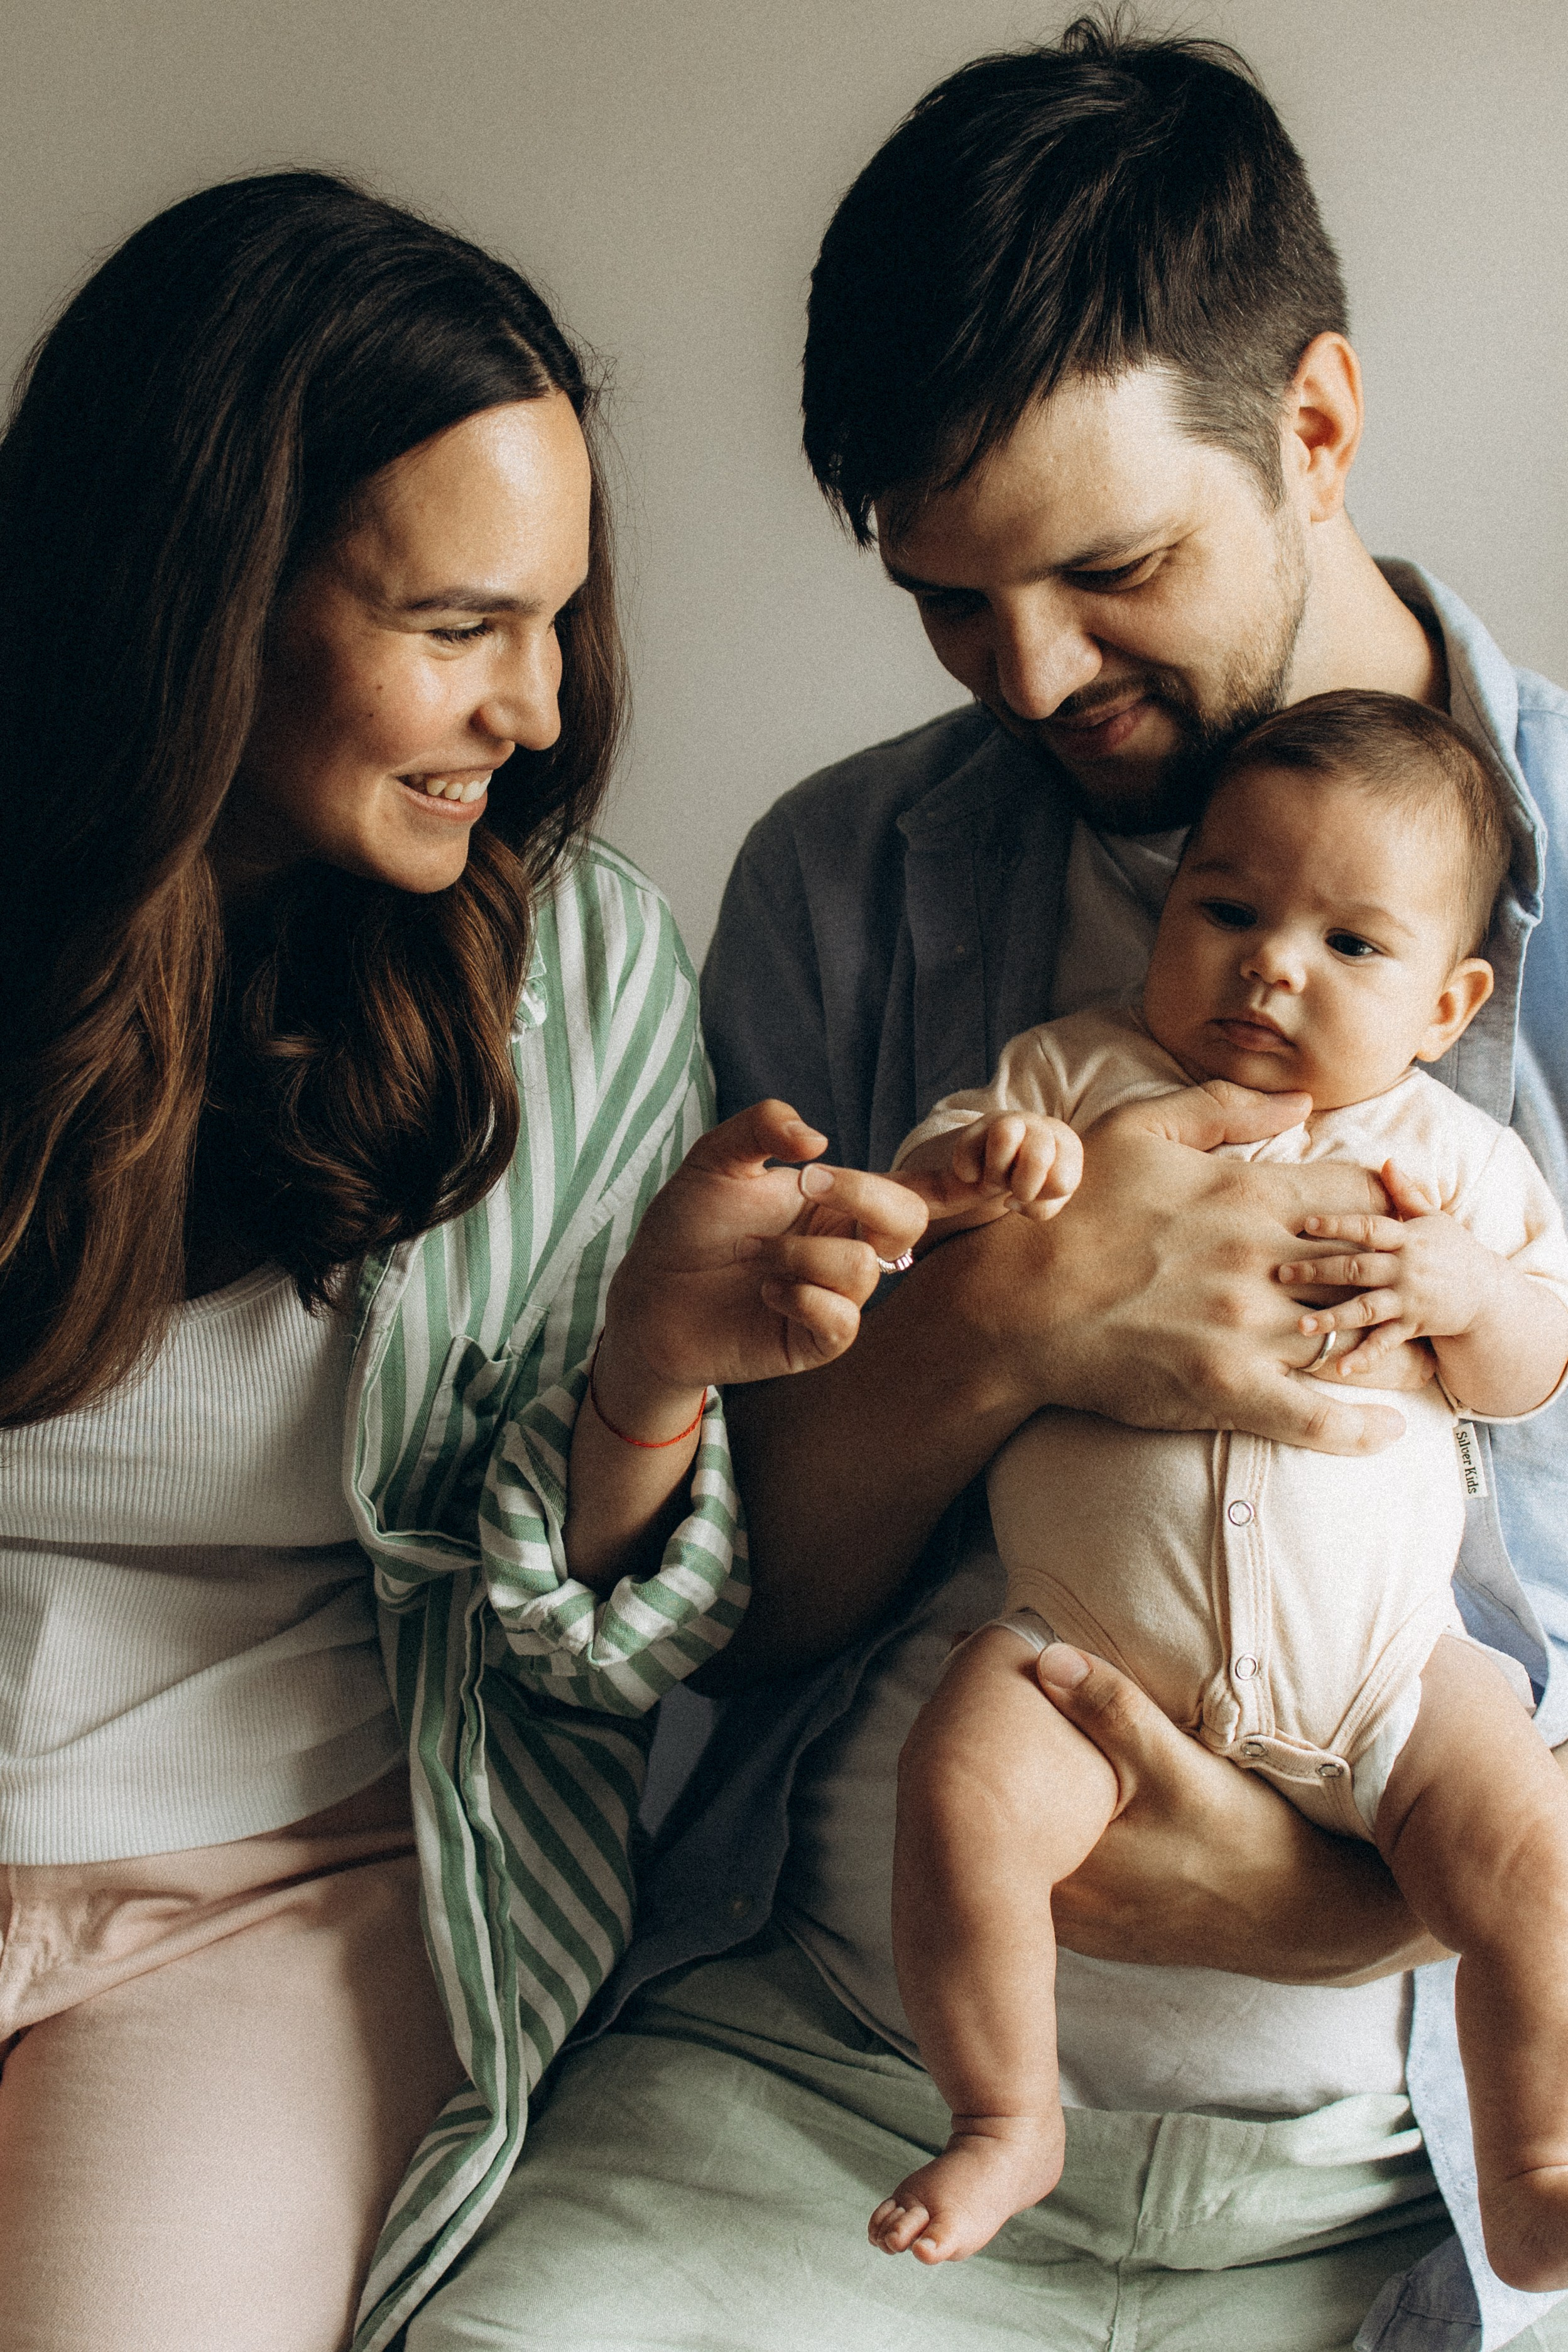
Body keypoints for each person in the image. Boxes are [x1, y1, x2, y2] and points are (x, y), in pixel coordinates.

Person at [408, 23, 1568, 2352]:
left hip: (1396, 2165)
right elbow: (736, 1601)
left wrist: (1366, 1902)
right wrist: (1015, 1314)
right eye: (947, 597)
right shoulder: (850, 884)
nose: (1028, 673)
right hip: (835, 2079)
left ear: (1312, 428)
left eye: (1107, 566)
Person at [0, 172, 921, 2352]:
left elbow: (605, 1656)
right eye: (451, 625)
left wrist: (644, 1383)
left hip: (282, 1888)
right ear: (200, 596)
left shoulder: (571, 979)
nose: (530, 705)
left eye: (554, 619)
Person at [876, 690, 1568, 2280]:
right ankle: (1003, 2113)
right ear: (1165, 904)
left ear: (1451, 1001)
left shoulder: (1445, 1161)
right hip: (1086, 1653)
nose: (1272, 965)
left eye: (1350, 947)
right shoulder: (1077, 1075)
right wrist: (984, 1178)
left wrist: (1466, 1292)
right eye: (1231, 910)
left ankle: (1534, 2158)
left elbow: (1537, 1363)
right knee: (962, 1795)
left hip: (1392, 1679)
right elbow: (933, 1203)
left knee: (1531, 1850)